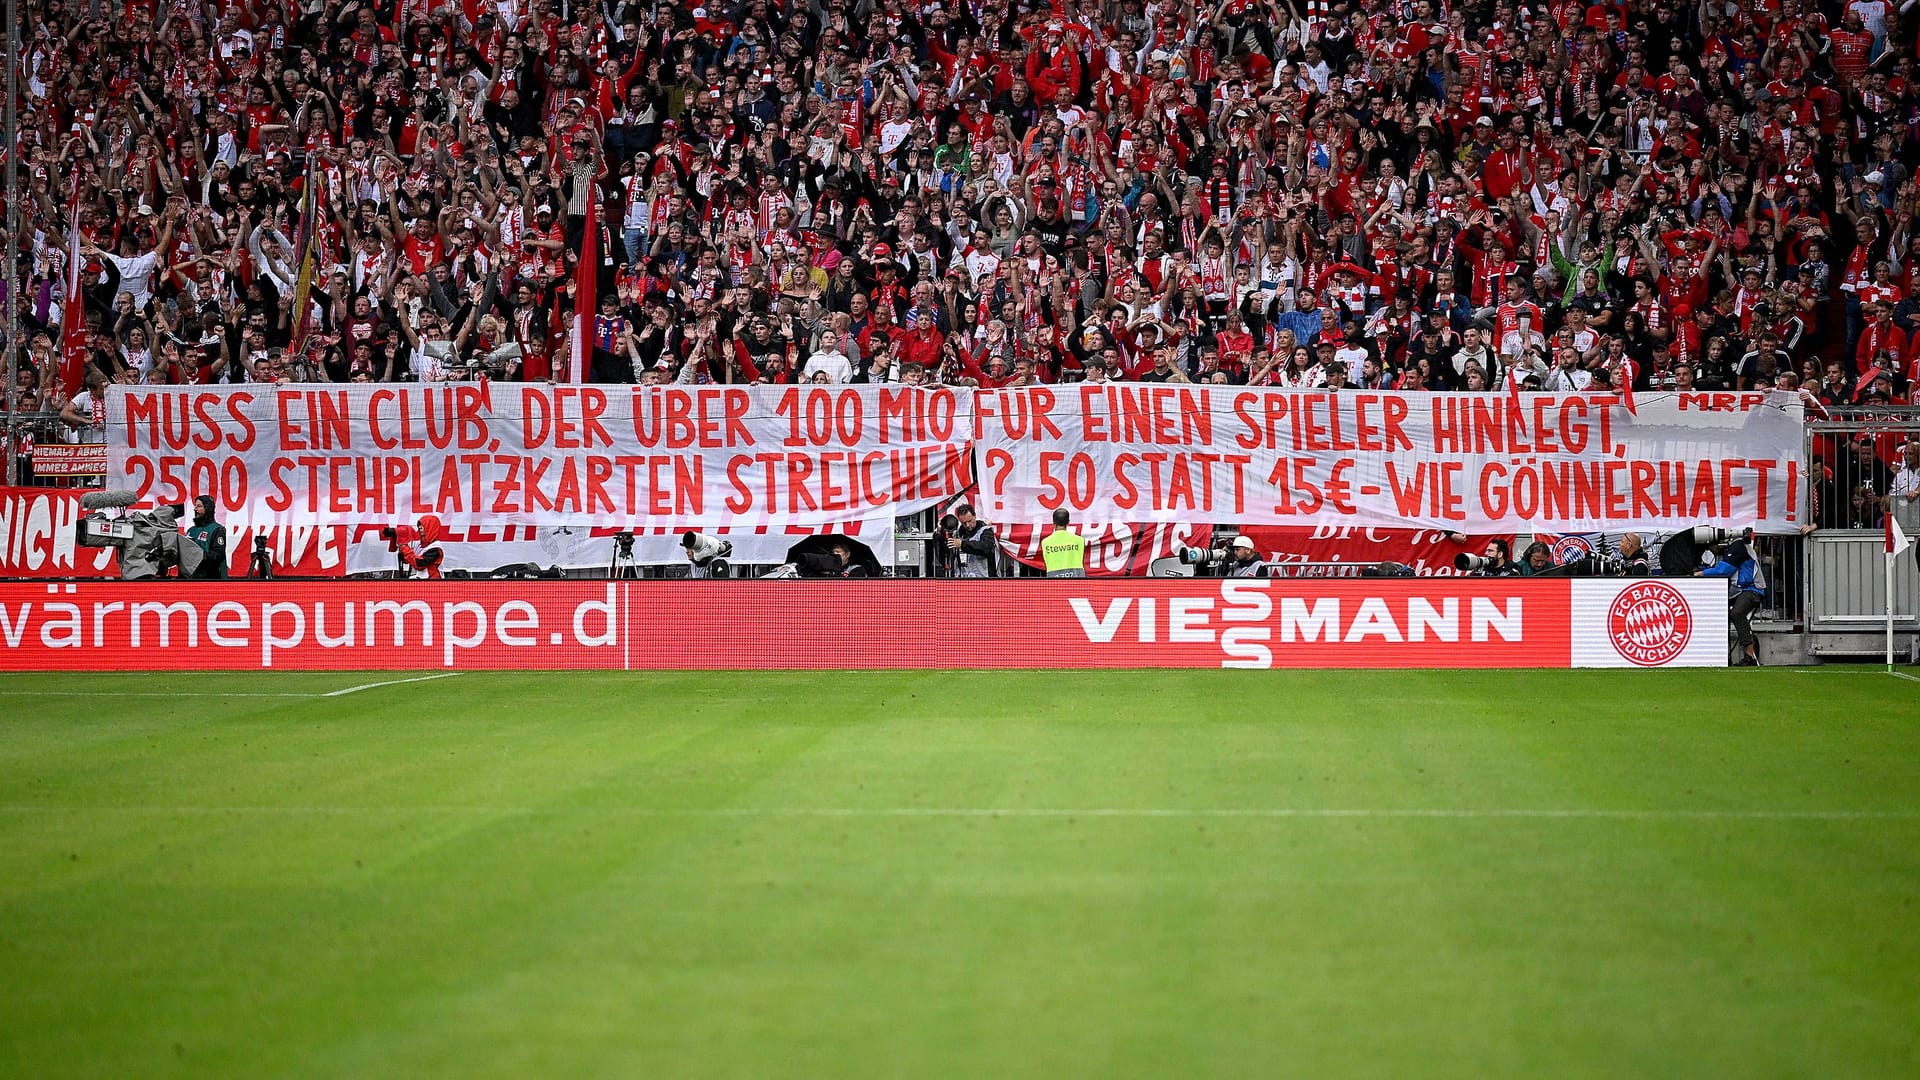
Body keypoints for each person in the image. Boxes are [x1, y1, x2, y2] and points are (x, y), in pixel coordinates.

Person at [1698, 537, 1766, 666]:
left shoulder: (1738, 547)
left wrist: (1701, 573)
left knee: (1737, 613)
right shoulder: (1734, 548)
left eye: (1711, 547)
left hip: (1752, 589)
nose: (1711, 550)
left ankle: (1750, 656)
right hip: (1740, 590)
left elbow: (1723, 570)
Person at [945, 504, 998, 578]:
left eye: (969, 521)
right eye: (964, 523)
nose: (967, 525)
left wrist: (962, 544)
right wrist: (939, 533)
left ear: (975, 516)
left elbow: (986, 548)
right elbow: (943, 551)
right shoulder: (957, 534)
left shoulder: (986, 530)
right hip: (963, 579)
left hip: (984, 579)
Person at [1892, 443, 1920, 573]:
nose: (1907, 457)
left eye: (1911, 454)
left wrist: (1917, 491)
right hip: (1904, 519)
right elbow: (1893, 495)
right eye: (1906, 454)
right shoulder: (1901, 475)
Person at [185, 495, 228, 579]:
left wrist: (198, 555)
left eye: (199, 506)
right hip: (191, 578)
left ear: (208, 508)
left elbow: (218, 555)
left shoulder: (217, 529)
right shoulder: (191, 531)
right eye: (195, 506)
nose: (195, 509)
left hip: (210, 579)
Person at [1040, 508, 1087, 578]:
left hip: (1055, 581)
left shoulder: (1045, 542)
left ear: (1053, 522)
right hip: (1077, 580)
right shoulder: (1079, 540)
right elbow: (1082, 561)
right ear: (1068, 522)